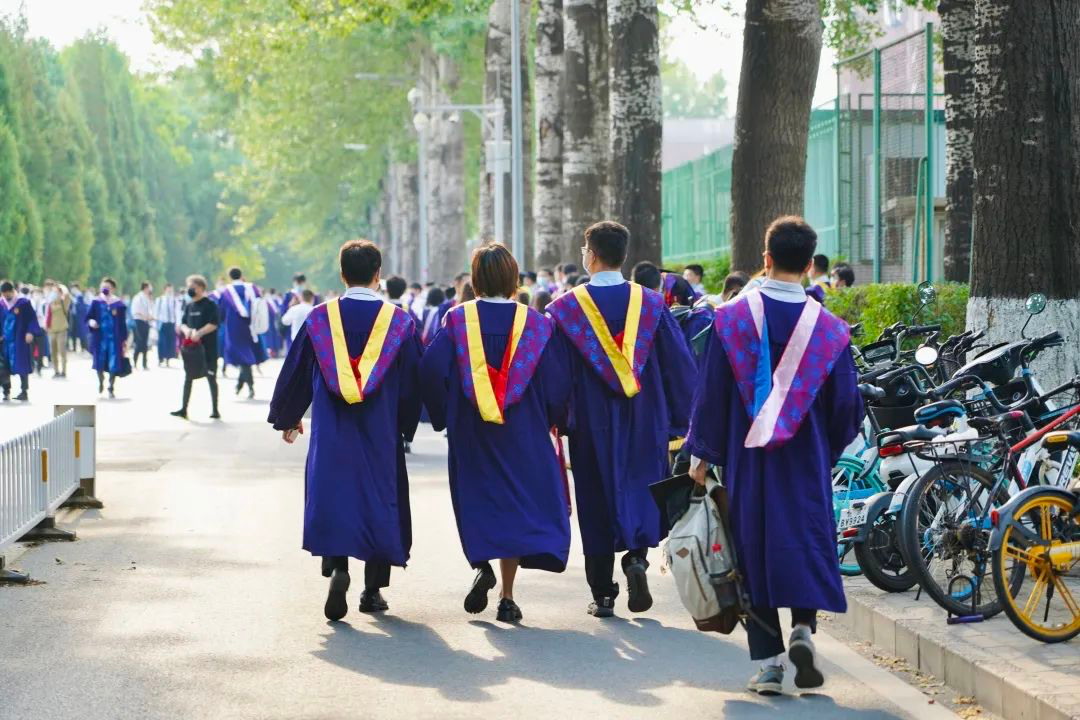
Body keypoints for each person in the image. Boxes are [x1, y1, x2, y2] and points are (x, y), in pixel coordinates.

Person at [685, 216, 864, 696]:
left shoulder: (732, 320)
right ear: (809, 266)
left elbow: (711, 393)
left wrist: (701, 454)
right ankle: (803, 627)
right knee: (806, 537)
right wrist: (826, 448)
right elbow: (847, 406)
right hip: (806, 457)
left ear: (765, 259)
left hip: (750, 459)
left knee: (751, 546)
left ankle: (768, 664)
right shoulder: (828, 329)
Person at [547, 221, 696, 617]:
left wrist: (555, 418)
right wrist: (680, 418)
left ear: (592, 255)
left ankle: (603, 593)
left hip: (591, 421)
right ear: (623, 255)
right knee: (641, 486)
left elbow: (556, 376)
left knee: (596, 498)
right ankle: (636, 560)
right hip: (645, 417)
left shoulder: (565, 309)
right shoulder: (652, 304)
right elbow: (678, 365)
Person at [268, 239, 422, 622]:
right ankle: (372, 591)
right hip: (379, 428)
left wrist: (289, 416)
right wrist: (406, 425)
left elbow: (297, 370)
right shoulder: (399, 322)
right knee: (377, 499)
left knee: (336, 494)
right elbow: (411, 384)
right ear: (378, 274)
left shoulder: (320, 319)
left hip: (332, 429)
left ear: (342, 274)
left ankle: (338, 567)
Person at [421, 243, 572, 623]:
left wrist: (443, 416)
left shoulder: (457, 320)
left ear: (475, 280)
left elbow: (430, 370)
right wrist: (553, 419)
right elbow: (557, 383)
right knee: (514, 505)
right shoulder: (536, 324)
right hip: (523, 430)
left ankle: (481, 564)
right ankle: (507, 595)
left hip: (471, 430)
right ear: (513, 279)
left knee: (478, 499)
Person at [171, 276, 221, 420]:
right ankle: (183, 409)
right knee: (188, 378)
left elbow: (214, 323)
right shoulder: (189, 306)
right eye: (189, 287)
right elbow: (183, 323)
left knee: (211, 378)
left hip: (208, 349)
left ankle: (215, 410)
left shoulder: (210, 305)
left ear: (201, 288)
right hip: (192, 350)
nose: (190, 290)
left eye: (192, 287)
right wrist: (187, 330)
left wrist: (199, 333)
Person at [218, 267, 266, 399]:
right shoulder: (252, 288)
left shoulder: (226, 291)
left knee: (243, 357)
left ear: (230, 276)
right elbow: (259, 305)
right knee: (246, 356)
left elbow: (221, 312)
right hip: (251, 326)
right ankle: (242, 385)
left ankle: (249, 386)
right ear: (241, 275)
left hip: (234, 327)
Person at [86, 277, 128, 398]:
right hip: (99, 338)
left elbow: (123, 323)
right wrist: (92, 322)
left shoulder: (118, 304)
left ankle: (111, 387)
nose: (105, 289)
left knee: (113, 363)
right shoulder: (96, 302)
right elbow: (88, 317)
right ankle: (101, 380)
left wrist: (124, 339)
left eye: (107, 287)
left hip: (114, 339)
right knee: (99, 362)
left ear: (113, 289)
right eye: (103, 286)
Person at [0, 280, 43, 401]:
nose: (6, 296)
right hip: (5, 342)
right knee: (3, 367)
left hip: (19, 340)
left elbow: (32, 319)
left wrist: (30, 332)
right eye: (3, 294)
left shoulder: (23, 303)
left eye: (7, 293)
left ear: (12, 291)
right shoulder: (1, 304)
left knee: (22, 365)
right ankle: (6, 391)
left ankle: (24, 391)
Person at [44, 280, 72, 378]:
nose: (55, 294)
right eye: (54, 292)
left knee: (62, 351)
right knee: (53, 352)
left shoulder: (64, 302)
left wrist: (62, 288)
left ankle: (63, 371)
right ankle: (56, 371)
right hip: (51, 330)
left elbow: (68, 296)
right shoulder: (49, 302)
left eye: (57, 292)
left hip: (62, 329)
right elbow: (46, 315)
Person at [130, 282, 155, 370]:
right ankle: (135, 361)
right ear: (145, 288)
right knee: (139, 342)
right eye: (149, 288)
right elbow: (135, 311)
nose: (150, 290)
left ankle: (144, 363)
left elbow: (151, 309)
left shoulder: (147, 298)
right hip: (139, 322)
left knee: (145, 344)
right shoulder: (138, 297)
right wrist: (145, 316)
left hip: (146, 322)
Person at [155, 284, 180, 367]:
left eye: (171, 290)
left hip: (171, 323)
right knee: (161, 342)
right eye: (168, 290)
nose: (170, 291)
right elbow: (156, 312)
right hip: (162, 323)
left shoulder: (175, 300)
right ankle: (160, 358)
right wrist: (155, 324)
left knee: (170, 342)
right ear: (165, 290)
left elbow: (177, 313)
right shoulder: (160, 300)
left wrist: (178, 325)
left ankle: (168, 359)